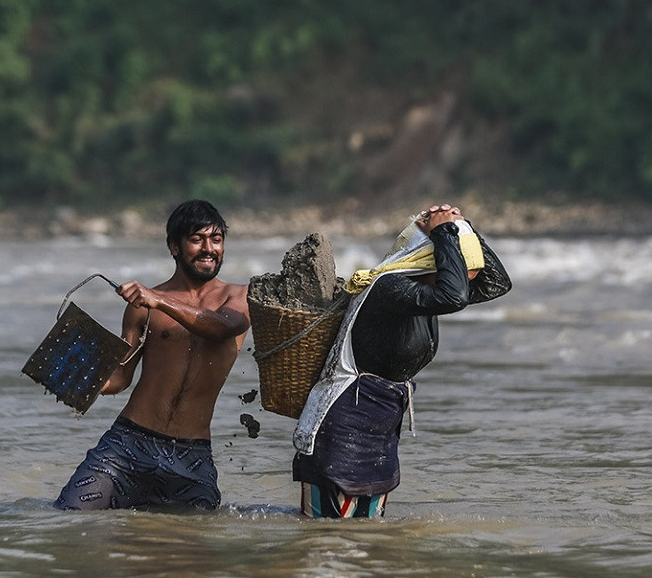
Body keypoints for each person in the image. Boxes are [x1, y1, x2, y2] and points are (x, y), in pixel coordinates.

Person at [292, 203, 512, 518]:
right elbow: (455, 296)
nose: (463, 280)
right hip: (343, 428)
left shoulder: (424, 291)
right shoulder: (391, 287)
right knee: (326, 540)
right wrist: (444, 233)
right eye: (457, 269)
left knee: (369, 538)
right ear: (429, 259)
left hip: (379, 430)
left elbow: (496, 284)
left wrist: (462, 225)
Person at [53, 200, 250, 511]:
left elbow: (220, 328)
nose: (209, 248)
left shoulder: (237, 297)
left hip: (192, 454)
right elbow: (120, 377)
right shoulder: (141, 305)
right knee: (68, 514)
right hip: (127, 444)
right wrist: (70, 370)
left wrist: (158, 299)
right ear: (174, 247)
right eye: (197, 239)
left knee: (192, 545)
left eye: (216, 239)